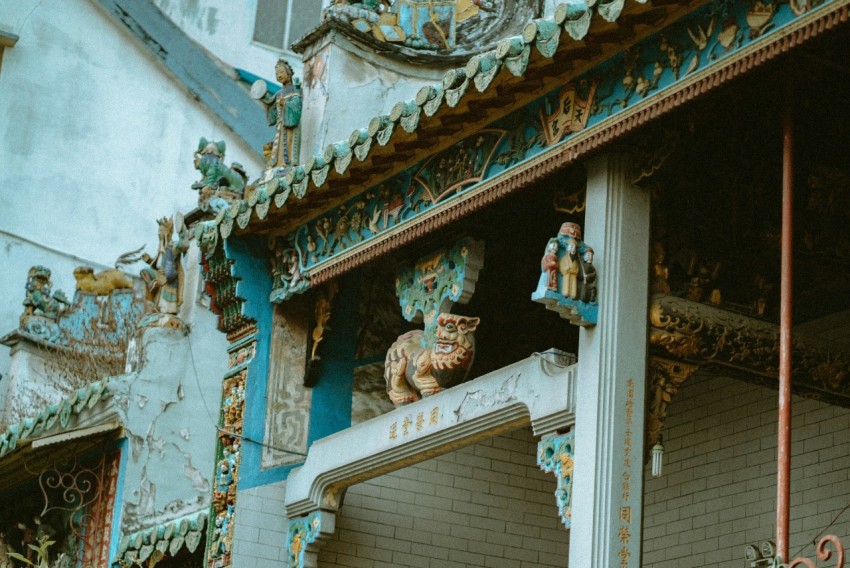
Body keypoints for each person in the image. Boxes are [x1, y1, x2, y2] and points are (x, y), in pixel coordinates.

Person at [265, 59, 302, 168]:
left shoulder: (295, 89)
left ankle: (289, 163)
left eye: (281, 72)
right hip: (280, 126)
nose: (279, 75)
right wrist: (267, 104)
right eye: (277, 73)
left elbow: (296, 105)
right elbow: (272, 116)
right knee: (278, 147)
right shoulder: (277, 93)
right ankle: (278, 165)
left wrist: (285, 103)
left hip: (289, 125)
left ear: (288, 73)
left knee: (289, 145)